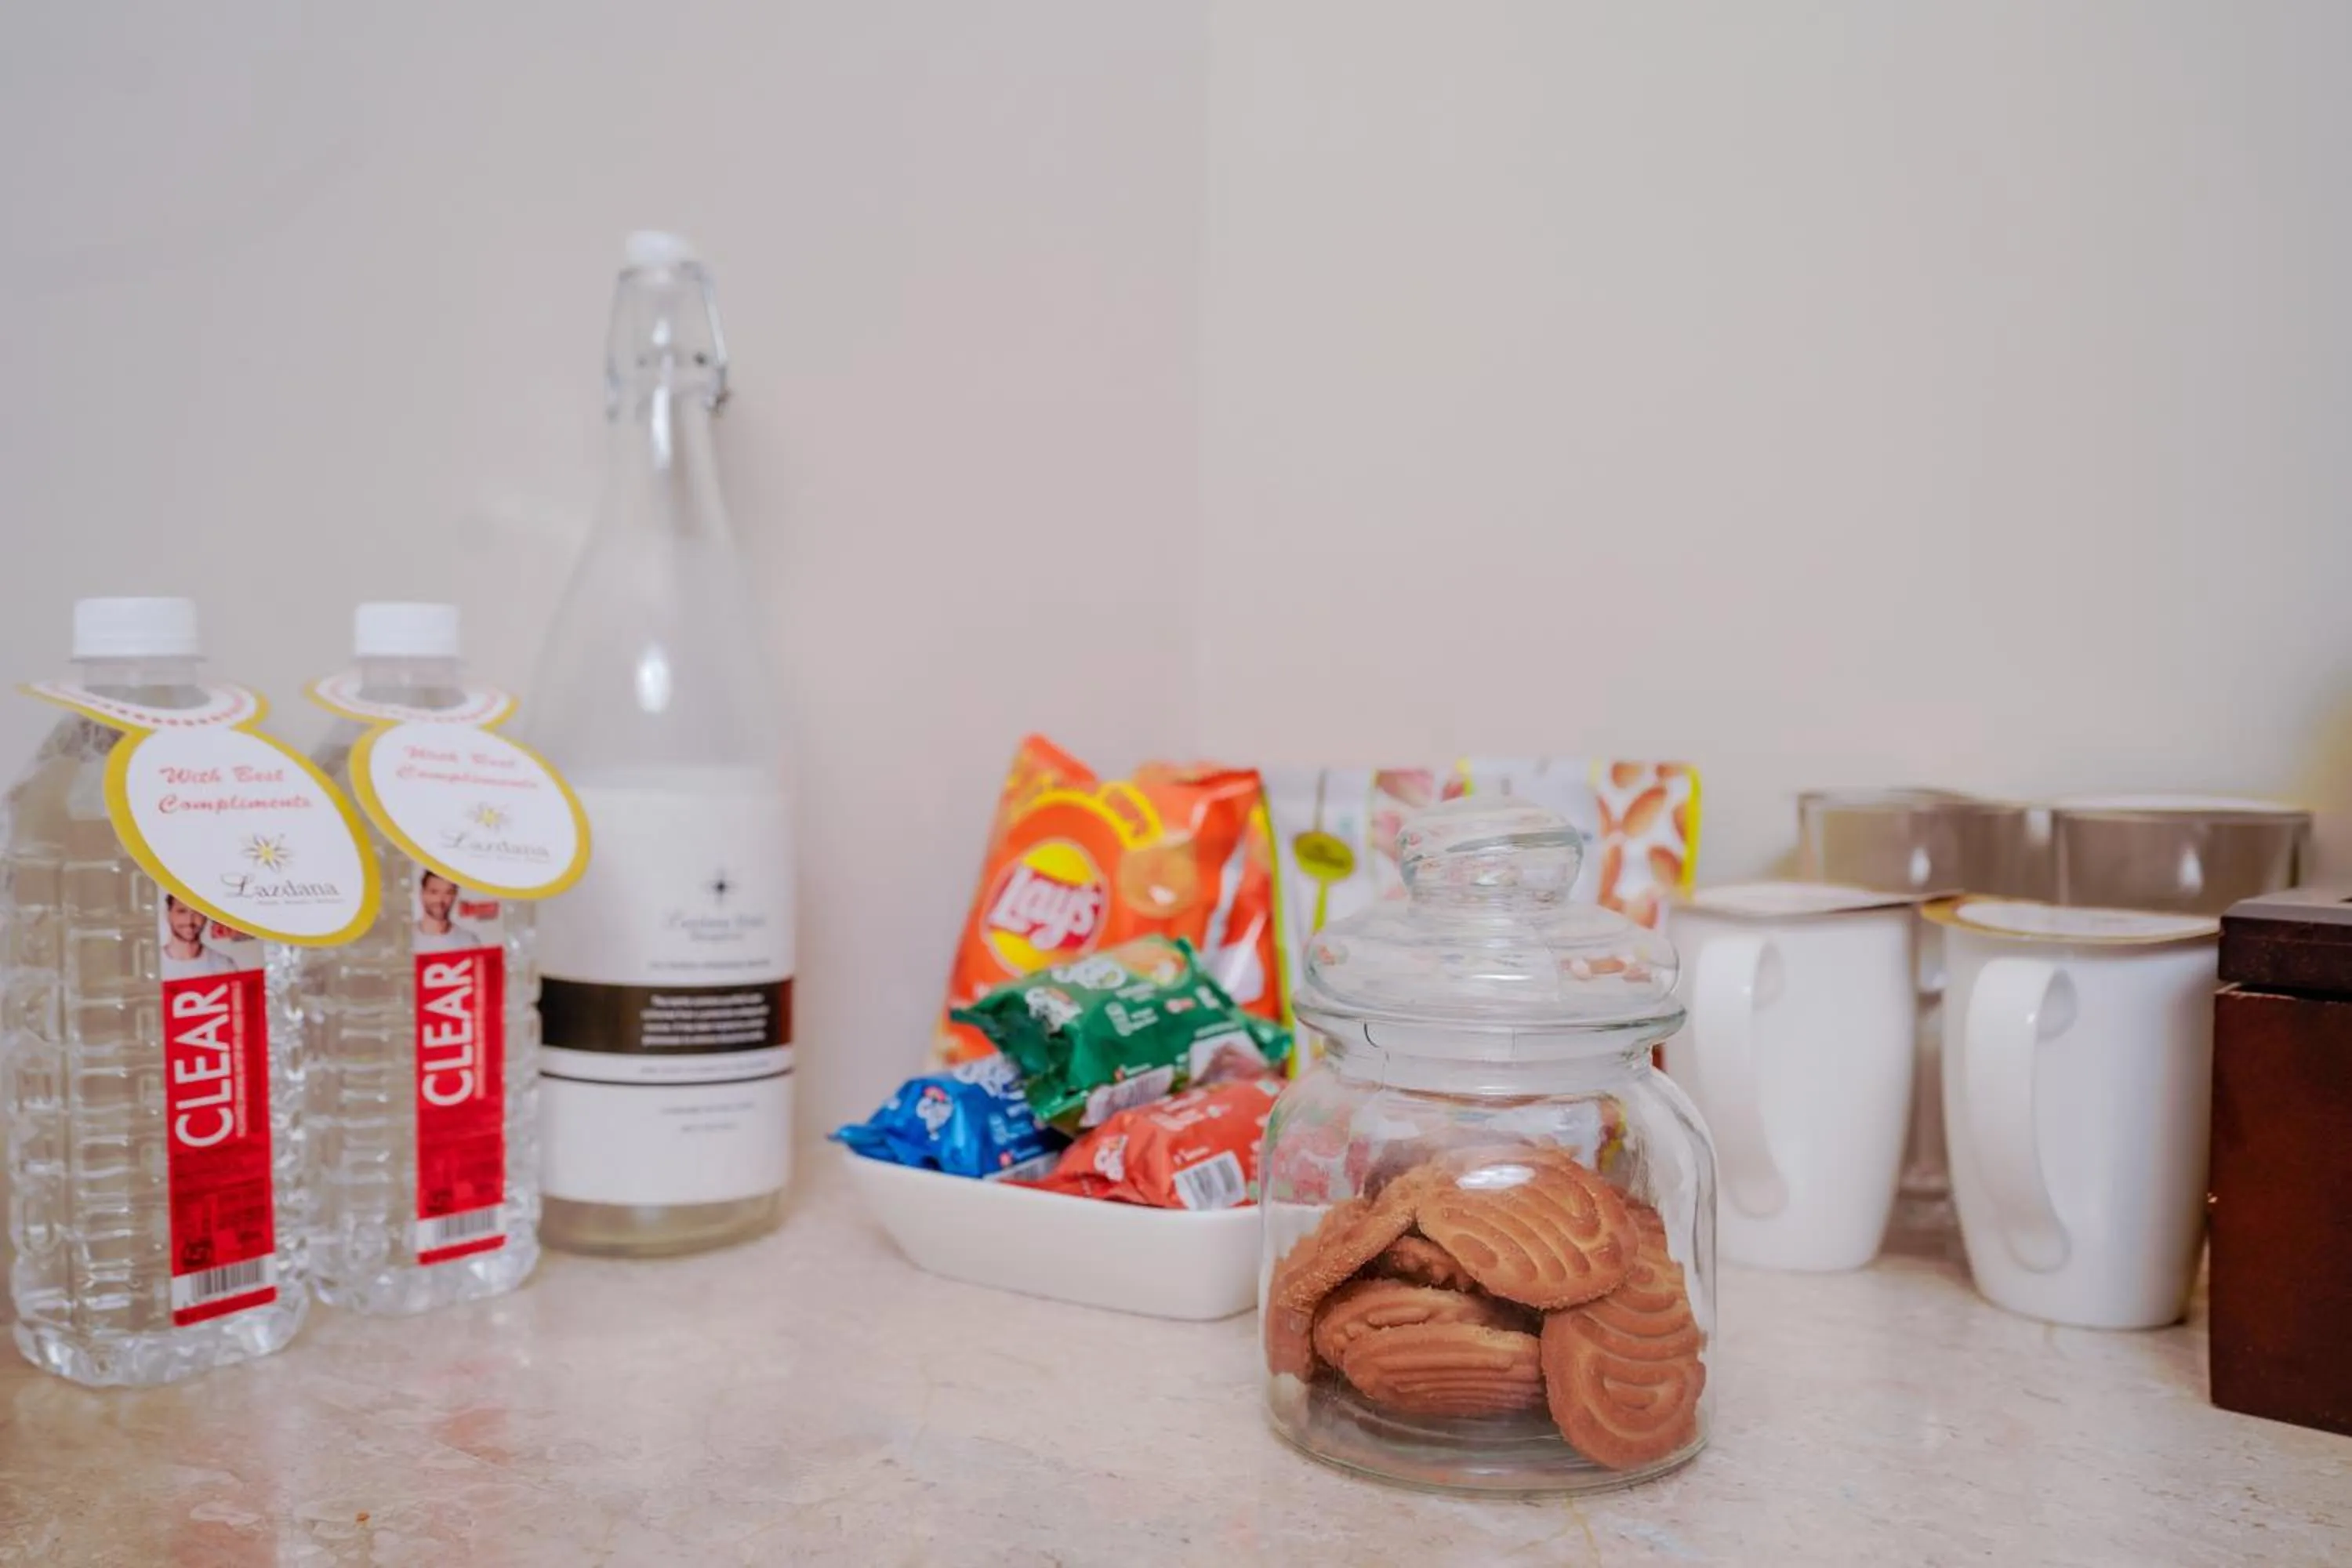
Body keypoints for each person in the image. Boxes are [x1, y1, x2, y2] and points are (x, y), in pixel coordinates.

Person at [161, 893, 241, 980]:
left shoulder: (224, 966)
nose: (189, 921)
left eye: (197, 912)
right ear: (168, 914)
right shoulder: (154, 966)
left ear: (206, 916)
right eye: (182, 911)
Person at [414, 869, 488, 953]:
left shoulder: (468, 942)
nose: (440, 900)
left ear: (455, 895)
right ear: (422, 894)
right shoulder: (406, 941)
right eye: (434, 892)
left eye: (448, 893)